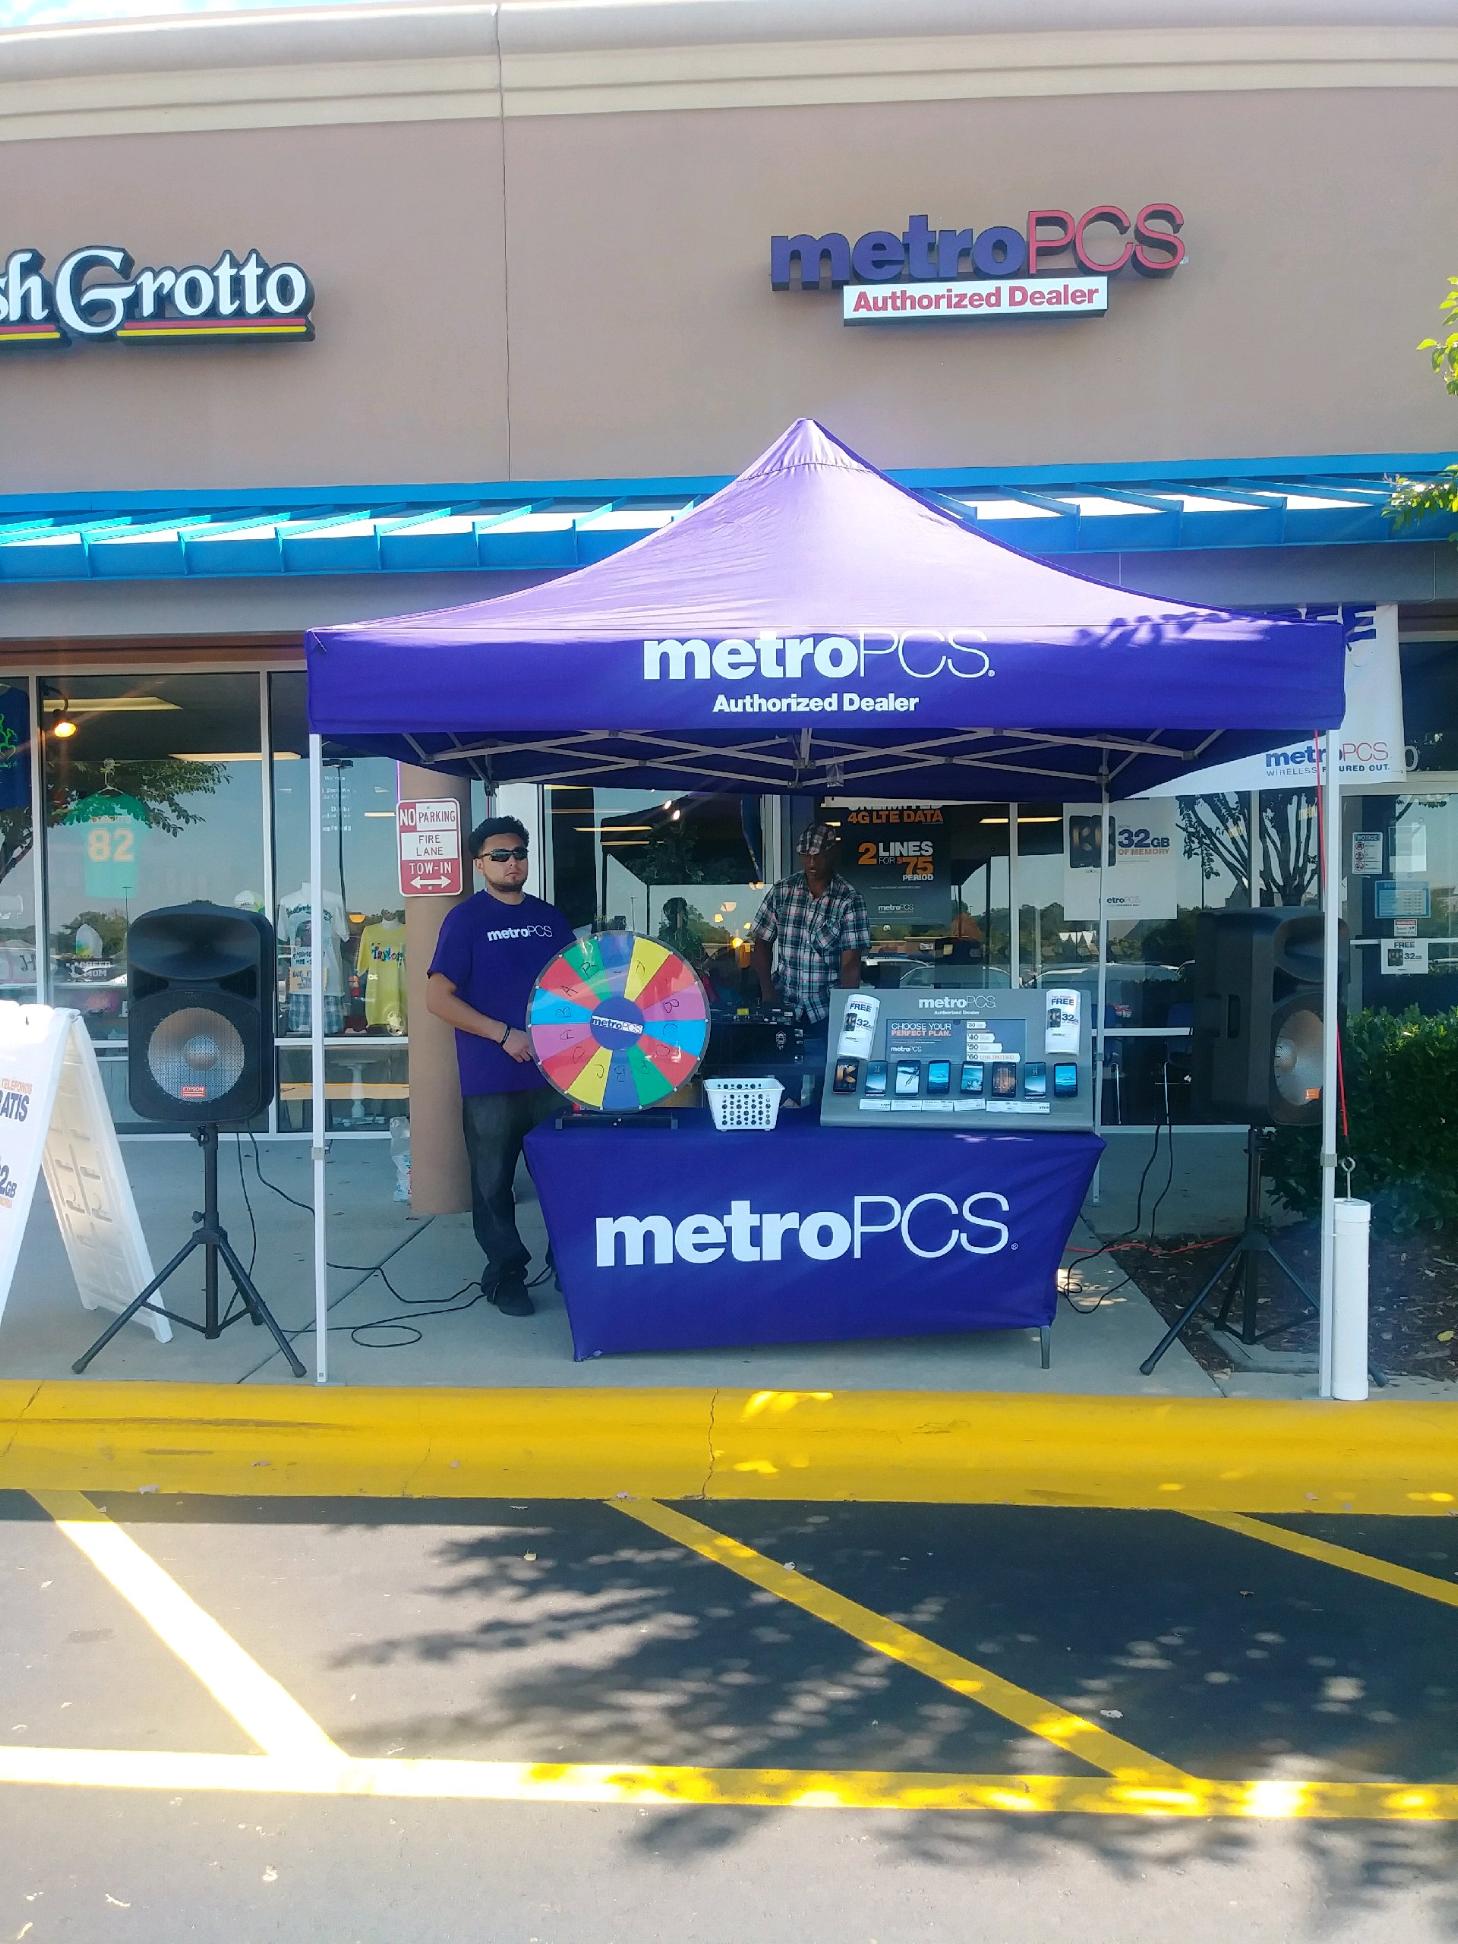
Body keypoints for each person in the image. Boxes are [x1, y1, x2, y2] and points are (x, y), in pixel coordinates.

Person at [426, 815, 574, 1317]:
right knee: (492, 1186)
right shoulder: (465, 920)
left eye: (519, 854)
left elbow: (578, 988)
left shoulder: (550, 919)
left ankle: (567, 1266)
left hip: (554, 1076)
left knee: (561, 1177)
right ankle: (506, 1276)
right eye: (500, 856)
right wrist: (503, 1034)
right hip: (490, 1078)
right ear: (479, 864)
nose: (512, 863)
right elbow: (437, 998)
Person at [748, 822, 870, 1082]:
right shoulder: (782, 891)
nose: (812, 862)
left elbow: (851, 963)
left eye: (819, 855)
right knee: (782, 1081)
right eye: (806, 856)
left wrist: (845, 1015)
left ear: (833, 853)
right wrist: (768, 993)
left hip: (826, 1008)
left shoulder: (849, 899)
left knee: (830, 1080)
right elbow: (761, 943)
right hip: (785, 1001)